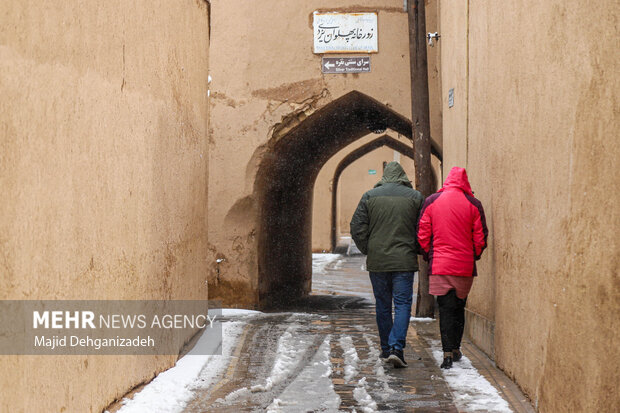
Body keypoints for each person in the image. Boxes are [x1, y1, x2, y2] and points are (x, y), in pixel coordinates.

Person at [350, 161, 424, 368]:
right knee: (402, 304)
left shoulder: (369, 196)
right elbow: (423, 227)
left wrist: (368, 248)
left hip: (379, 261)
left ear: (384, 177)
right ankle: (397, 347)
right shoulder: (416, 198)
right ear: (403, 178)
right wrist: (416, 247)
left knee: (383, 305)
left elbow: (356, 226)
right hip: (404, 261)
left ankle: (385, 349)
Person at [417, 167, 488, 369]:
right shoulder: (473, 204)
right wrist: (473, 255)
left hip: (440, 264)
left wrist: (429, 254)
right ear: (465, 182)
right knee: (458, 306)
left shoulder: (432, 201)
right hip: (464, 265)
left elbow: (422, 234)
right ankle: (456, 347)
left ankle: (447, 352)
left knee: (445, 308)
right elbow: (480, 237)